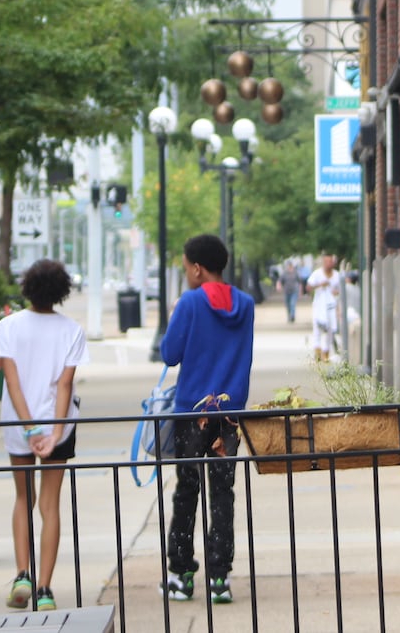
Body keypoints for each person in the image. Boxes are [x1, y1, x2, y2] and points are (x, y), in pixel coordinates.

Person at [0, 260, 88, 613]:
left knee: (21, 498)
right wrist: (54, 432)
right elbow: (64, 384)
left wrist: (29, 429)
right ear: (62, 292)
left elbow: (11, 382)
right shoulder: (72, 330)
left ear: (26, 287)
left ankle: (22, 574)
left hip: (18, 424)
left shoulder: (9, 326)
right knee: (50, 504)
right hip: (58, 425)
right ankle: (45, 588)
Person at [158, 234, 255, 606]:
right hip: (228, 414)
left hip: (190, 412)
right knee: (222, 494)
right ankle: (220, 579)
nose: (186, 273)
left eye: (186, 267)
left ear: (197, 268)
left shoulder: (191, 302)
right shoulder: (245, 304)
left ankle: (181, 575)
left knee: (186, 491)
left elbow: (170, 354)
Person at [310, 271, 339, 362]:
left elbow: (340, 289)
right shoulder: (317, 274)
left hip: (331, 307)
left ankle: (326, 352)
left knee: (329, 331)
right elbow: (309, 286)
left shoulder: (336, 275)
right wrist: (320, 284)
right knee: (317, 330)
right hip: (319, 307)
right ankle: (318, 353)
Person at [275, 258, 303, 324]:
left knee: (292, 304)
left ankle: (292, 316)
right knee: (288, 305)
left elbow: (299, 282)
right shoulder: (284, 273)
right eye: (289, 265)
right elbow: (279, 281)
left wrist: (300, 291)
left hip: (294, 291)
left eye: (291, 265)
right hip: (286, 291)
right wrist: (278, 286)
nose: (290, 267)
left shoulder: (295, 273)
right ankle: (289, 316)